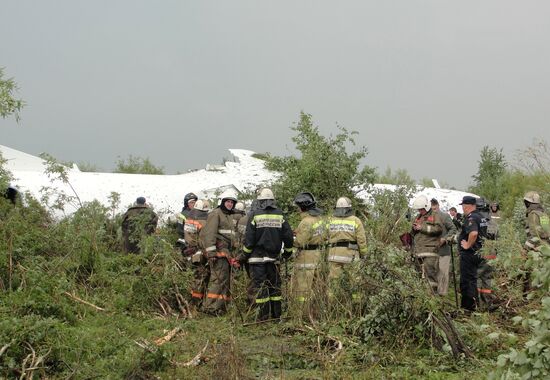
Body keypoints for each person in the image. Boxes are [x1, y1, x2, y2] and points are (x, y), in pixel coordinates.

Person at [241, 188, 293, 321]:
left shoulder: (254, 215)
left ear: (260, 201)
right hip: (274, 258)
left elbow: (249, 239)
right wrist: (287, 253)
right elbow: (288, 236)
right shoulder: (280, 214)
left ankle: (263, 318)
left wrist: (243, 256)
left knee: (261, 287)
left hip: (256, 259)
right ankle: (276, 316)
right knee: (275, 287)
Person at [200, 189, 239, 315]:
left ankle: (220, 308)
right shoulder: (215, 214)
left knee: (224, 282)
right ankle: (210, 308)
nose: (230, 204)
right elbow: (209, 234)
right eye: (227, 201)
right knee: (217, 282)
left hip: (226, 254)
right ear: (222, 202)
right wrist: (211, 253)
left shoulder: (228, 216)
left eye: (232, 202)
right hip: (218, 255)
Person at [291, 192, 326, 313]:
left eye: (298, 207)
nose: (297, 210)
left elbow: (300, 242)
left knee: (303, 289)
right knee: (316, 287)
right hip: (318, 256)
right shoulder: (319, 219)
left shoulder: (305, 222)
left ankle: (302, 313)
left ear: (302, 207)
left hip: (306, 258)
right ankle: (316, 312)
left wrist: (290, 238)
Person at [327, 197, 367, 284]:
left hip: (334, 255)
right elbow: (361, 240)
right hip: (351, 255)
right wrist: (363, 254)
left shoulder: (330, 220)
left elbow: (324, 237)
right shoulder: (356, 220)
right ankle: (355, 297)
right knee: (355, 282)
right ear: (349, 208)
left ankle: (331, 298)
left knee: (334, 282)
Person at [410, 195, 444, 292]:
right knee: (417, 275)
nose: (420, 211)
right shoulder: (418, 217)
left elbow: (439, 229)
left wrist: (422, 228)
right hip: (418, 251)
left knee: (430, 274)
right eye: (418, 210)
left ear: (426, 207)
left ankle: (433, 298)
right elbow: (414, 232)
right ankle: (420, 297)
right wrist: (413, 229)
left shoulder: (434, 215)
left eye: (421, 209)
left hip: (430, 251)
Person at [457, 196, 484, 312]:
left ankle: (467, 309)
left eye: (463, 205)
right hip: (479, 253)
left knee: (467, 282)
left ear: (467, 205)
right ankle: (474, 306)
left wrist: (468, 244)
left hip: (469, 254)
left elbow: (473, 233)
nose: (462, 208)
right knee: (472, 281)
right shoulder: (481, 217)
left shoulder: (471, 217)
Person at [185, 199, 211, 306]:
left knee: (197, 277)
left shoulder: (189, 219)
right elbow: (201, 239)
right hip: (199, 252)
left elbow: (189, 237)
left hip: (193, 251)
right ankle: (197, 303)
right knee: (200, 277)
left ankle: (195, 302)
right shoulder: (202, 221)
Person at [430, 198, 457, 296]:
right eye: (432, 208)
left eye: (435, 208)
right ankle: (432, 294)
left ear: (438, 206)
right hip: (431, 251)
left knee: (443, 273)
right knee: (432, 272)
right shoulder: (428, 218)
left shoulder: (445, 216)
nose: (434, 210)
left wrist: (445, 239)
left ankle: (442, 295)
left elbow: (453, 229)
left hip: (444, 251)